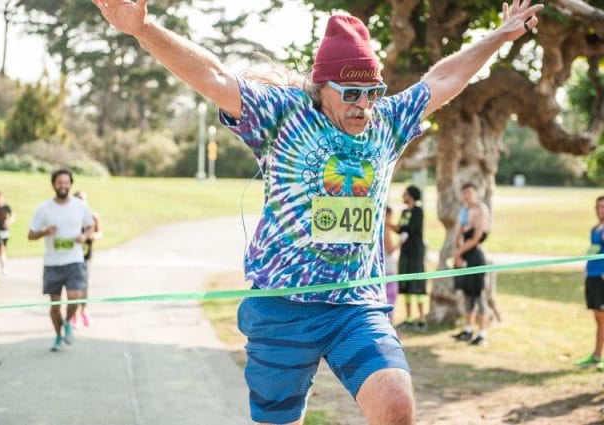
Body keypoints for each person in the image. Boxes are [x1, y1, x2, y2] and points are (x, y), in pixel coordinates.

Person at [92, 1, 543, 423]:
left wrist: (499, 37)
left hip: (355, 303)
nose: (363, 106)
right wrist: (143, 28)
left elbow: (442, 79)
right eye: (351, 93)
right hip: (282, 306)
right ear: (322, 87)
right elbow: (214, 78)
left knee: (395, 402)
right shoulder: (283, 115)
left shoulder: (384, 121)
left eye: (372, 92)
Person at [28, 169, 94, 352]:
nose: (63, 185)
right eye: (59, 182)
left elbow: (90, 225)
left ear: (70, 184)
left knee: (75, 296)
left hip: (74, 260)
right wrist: (44, 232)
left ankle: (67, 323)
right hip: (53, 264)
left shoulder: (80, 206)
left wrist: (84, 235)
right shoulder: (44, 208)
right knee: (55, 306)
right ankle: (58, 336)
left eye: (66, 182)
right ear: (53, 184)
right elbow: (30, 234)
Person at [451, 183, 492, 346]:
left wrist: (459, 252)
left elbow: (476, 237)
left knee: (479, 296)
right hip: (464, 255)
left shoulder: (481, 210)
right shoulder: (465, 211)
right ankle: (468, 330)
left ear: (475, 193)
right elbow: (458, 233)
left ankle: (482, 334)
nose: (466, 196)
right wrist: (456, 253)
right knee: (467, 295)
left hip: (476, 256)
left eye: (469, 193)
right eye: (464, 193)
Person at [574, 196, 604, 369]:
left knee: (602, 318)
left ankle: (598, 355)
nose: (600, 210)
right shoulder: (595, 229)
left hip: (601, 277)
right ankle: (596, 355)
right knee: (598, 319)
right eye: (598, 206)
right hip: (592, 276)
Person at [393, 186, 427, 332]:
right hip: (405, 252)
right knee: (405, 283)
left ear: (412, 195)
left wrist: (399, 229)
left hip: (416, 252)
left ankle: (421, 318)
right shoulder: (404, 212)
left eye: (406, 193)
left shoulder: (418, 211)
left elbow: (409, 229)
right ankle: (408, 317)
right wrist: (386, 223)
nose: (403, 195)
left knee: (417, 283)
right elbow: (400, 229)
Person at [70, 191, 103, 329]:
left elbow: (100, 233)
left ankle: (84, 310)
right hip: (72, 256)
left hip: (86, 255)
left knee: (84, 285)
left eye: (83, 199)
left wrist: (91, 236)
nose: (81, 202)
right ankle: (74, 314)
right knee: (73, 287)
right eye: (78, 199)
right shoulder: (70, 217)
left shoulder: (93, 216)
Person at [384, 206, 398, 324]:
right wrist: (401, 242)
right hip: (387, 267)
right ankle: (391, 325)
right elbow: (390, 249)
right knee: (391, 296)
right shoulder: (385, 230)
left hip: (381, 267)